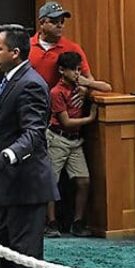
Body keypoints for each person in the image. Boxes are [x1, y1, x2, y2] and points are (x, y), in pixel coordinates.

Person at [0, 23, 59, 268]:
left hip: (26, 185)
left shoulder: (30, 84)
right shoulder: (8, 81)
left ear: (15, 52)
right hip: (10, 187)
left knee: (25, 256)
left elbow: (32, 133)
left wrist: (6, 157)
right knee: (5, 251)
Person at [45, 52, 111, 238]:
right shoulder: (56, 92)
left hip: (75, 141)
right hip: (57, 139)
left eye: (78, 70)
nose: (76, 73)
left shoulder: (79, 86)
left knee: (84, 180)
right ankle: (51, 222)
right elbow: (65, 122)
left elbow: (107, 87)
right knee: (51, 182)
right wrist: (90, 118)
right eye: (73, 70)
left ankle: (78, 222)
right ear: (61, 70)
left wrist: (86, 84)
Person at [29, 1, 99, 90]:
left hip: (60, 101)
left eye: (62, 22)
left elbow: (89, 78)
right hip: (32, 100)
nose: (59, 25)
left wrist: (85, 90)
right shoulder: (27, 46)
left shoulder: (73, 48)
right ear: (42, 23)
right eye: (54, 22)